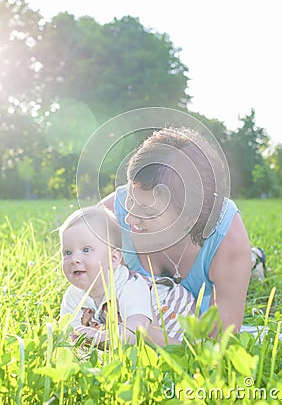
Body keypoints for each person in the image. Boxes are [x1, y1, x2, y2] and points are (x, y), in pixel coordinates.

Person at [101, 126, 263, 339]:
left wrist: (146, 335)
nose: (129, 218)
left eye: (147, 212)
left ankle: (254, 259)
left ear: (189, 218)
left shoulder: (227, 238)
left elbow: (220, 343)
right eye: (131, 198)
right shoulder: (109, 215)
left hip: (217, 270)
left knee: (237, 265)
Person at [59, 204, 196, 346]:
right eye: (67, 252)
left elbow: (137, 328)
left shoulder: (131, 285)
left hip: (170, 315)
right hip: (123, 330)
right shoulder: (73, 296)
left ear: (114, 259)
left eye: (86, 249)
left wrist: (103, 337)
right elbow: (70, 332)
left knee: (163, 347)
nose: (74, 259)